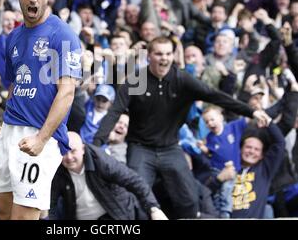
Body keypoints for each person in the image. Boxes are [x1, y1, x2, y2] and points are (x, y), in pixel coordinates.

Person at [94, 36, 271, 218]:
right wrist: (97, 143)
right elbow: (114, 112)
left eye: (168, 53)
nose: (164, 58)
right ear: (149, 56)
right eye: (159, 54)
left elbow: (214, 95)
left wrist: (251, 112)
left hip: (170, 147)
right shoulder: (136, 80)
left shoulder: (182, 79)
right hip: (141, 148)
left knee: (189, 198)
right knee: (136, 197)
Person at [0, 0, 82, 220]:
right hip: (10, 132)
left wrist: (41, 138)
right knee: (1, 210)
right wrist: (2, 131)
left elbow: (67, 93)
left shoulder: (63, 34)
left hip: (40, 135)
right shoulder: (14, 36)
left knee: (23, 216)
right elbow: (16, 88)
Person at [50, 132, 167, 220]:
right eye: (63, 152)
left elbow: (133, 180)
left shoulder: (100, 161)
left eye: (73, 151)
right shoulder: (56, 168)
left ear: (83, 149)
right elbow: (51, 204)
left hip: (113, 214)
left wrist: (154, 208)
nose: (69, 157)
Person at [232, 123, 285, 218]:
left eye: (256, 149)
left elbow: (280, 143)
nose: (252, 151)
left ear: (261, 155)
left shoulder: (265, 170)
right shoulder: (230, 168)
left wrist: (268, 122)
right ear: (240, 149)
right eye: (248, 147)